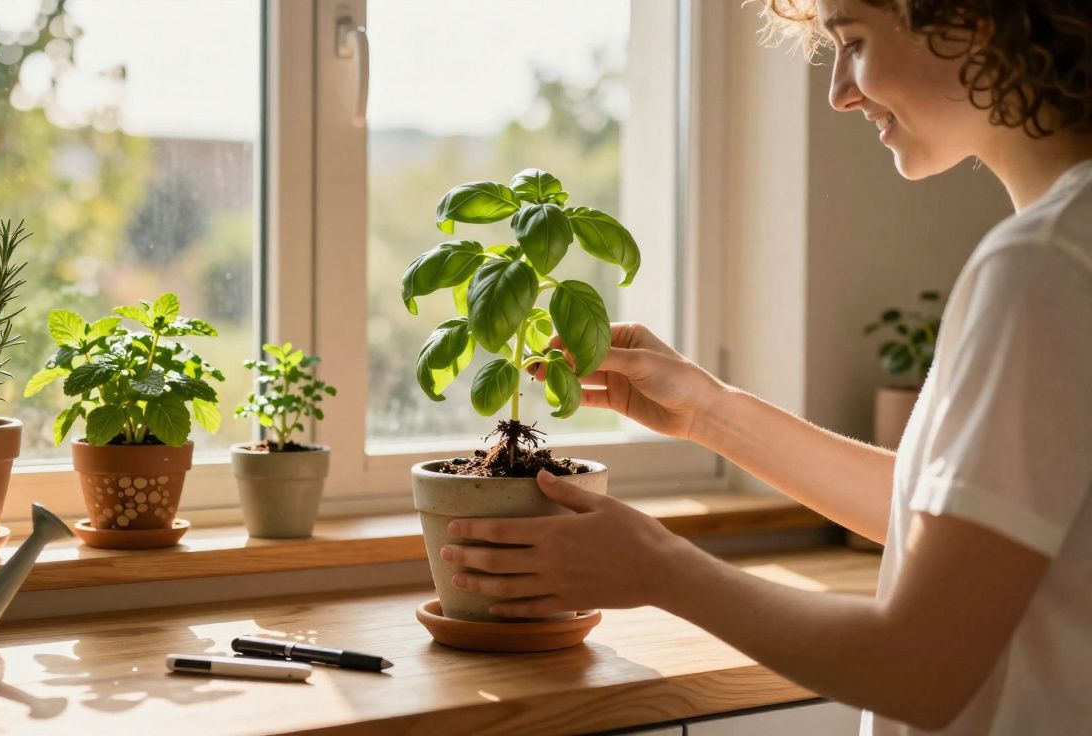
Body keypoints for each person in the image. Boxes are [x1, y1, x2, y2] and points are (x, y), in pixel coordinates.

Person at [439, 1, 1092, 733]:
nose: (839, 91)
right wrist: (707, 409)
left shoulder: (1042, 267)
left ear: (972, 20)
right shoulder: (1068, 245)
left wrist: (659, 567)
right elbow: (950, 527)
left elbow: (921, 666)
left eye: (854, 42)